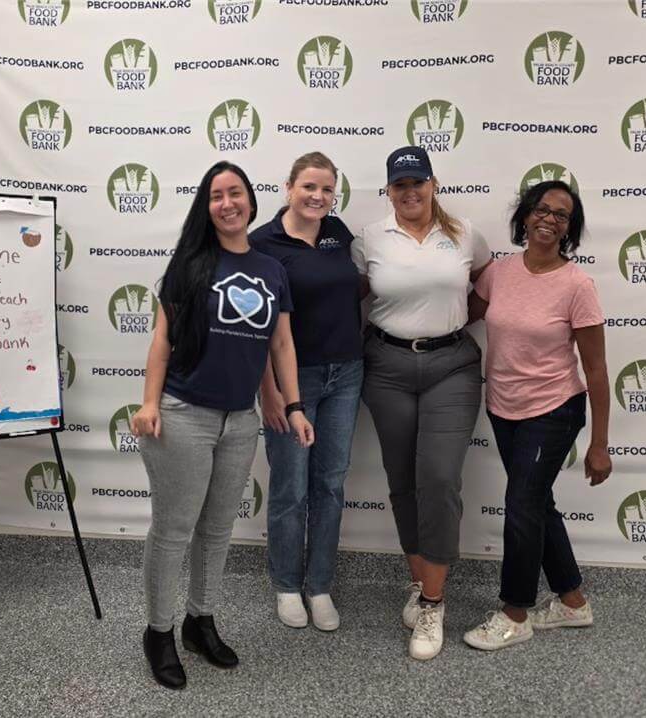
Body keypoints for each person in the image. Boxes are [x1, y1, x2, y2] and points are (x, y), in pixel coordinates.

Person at [131, 161, 315, 690]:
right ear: (206, 207)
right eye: (216, 195)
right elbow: (161, 342)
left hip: (240, 421)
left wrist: (294, 405)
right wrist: (149, 404)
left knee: (215, 530)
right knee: (173, 532)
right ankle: (159, 632)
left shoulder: (270, 270)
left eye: (236, 193)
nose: (227, 202)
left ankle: (200, 620)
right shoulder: (190, 265)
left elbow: (280, 344)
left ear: (252, 203)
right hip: (184, 416)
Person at [351, 145, 491, 660]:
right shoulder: (369, 238)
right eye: (399, 185)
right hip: (386, 366)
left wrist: (451, 321)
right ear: (389, 191)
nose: (409, 193)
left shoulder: (464, 234)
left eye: (418, 183)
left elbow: (485, 287)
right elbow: (357, 295)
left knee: (437, 476)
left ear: (433, 184)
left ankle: (434, 602)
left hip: (451, 365)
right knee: (403, 480)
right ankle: (419, 582)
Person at [463, 180, 612, 651]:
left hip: (554, 409)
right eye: (542, 210)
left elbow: (596, 367)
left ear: (571, 228)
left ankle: (515, 612)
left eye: (561, 215)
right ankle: (573, 602)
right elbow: (461, 314)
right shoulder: (499, 274)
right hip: (504, 406)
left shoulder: (577, 285)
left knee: (523, 505)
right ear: (526, 216)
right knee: (537, 504)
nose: (549, 219)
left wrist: (601, 443)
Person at [250, 152, 363, 631]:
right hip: (292, 382)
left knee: (330, 485)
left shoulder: (340, 235)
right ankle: (286, 585)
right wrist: (269, 391)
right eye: (308, 187)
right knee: (291, 488)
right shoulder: (263, 243)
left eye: (326, 189)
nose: (317, 197)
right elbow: (253, 325)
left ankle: (320, 585)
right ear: (288, 187)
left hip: (347, 375)